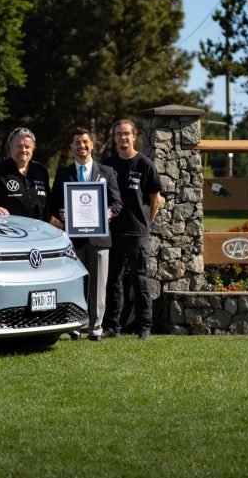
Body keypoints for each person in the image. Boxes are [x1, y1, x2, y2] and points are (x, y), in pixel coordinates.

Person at [46, 127, 122, 341]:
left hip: (99, 239)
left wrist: (110, 212)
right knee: (75, 285)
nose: (82, 146)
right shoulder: (63, 174)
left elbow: (117, 202)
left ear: (92, 145)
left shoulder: (107, 172)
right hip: (74, 240)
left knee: (98, 287)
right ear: (72, 146)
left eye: (85, 142)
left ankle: (96, 328)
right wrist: (61, 213)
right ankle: (76, 326)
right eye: (77, 142)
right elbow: (54, 203)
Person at [102, 119, 162, 341]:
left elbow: (155, 199)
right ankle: (112, 326)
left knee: (140, 280)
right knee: (113, 280)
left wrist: (146, 222)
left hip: (137, 232)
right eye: (119, 134)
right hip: (113, 232)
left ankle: (144, 327)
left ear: (134, 136)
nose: (122, 137)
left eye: (126, 133)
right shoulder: (107, 166)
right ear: (115, 138)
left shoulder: (145, 164)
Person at [0, 127, 50, 219]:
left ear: (33, 149)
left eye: (27, 147)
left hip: (39, 227)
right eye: (19, 146)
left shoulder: (41, 170)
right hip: (9, 227)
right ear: (11, 148)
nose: (23, 150)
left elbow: (48, 201)